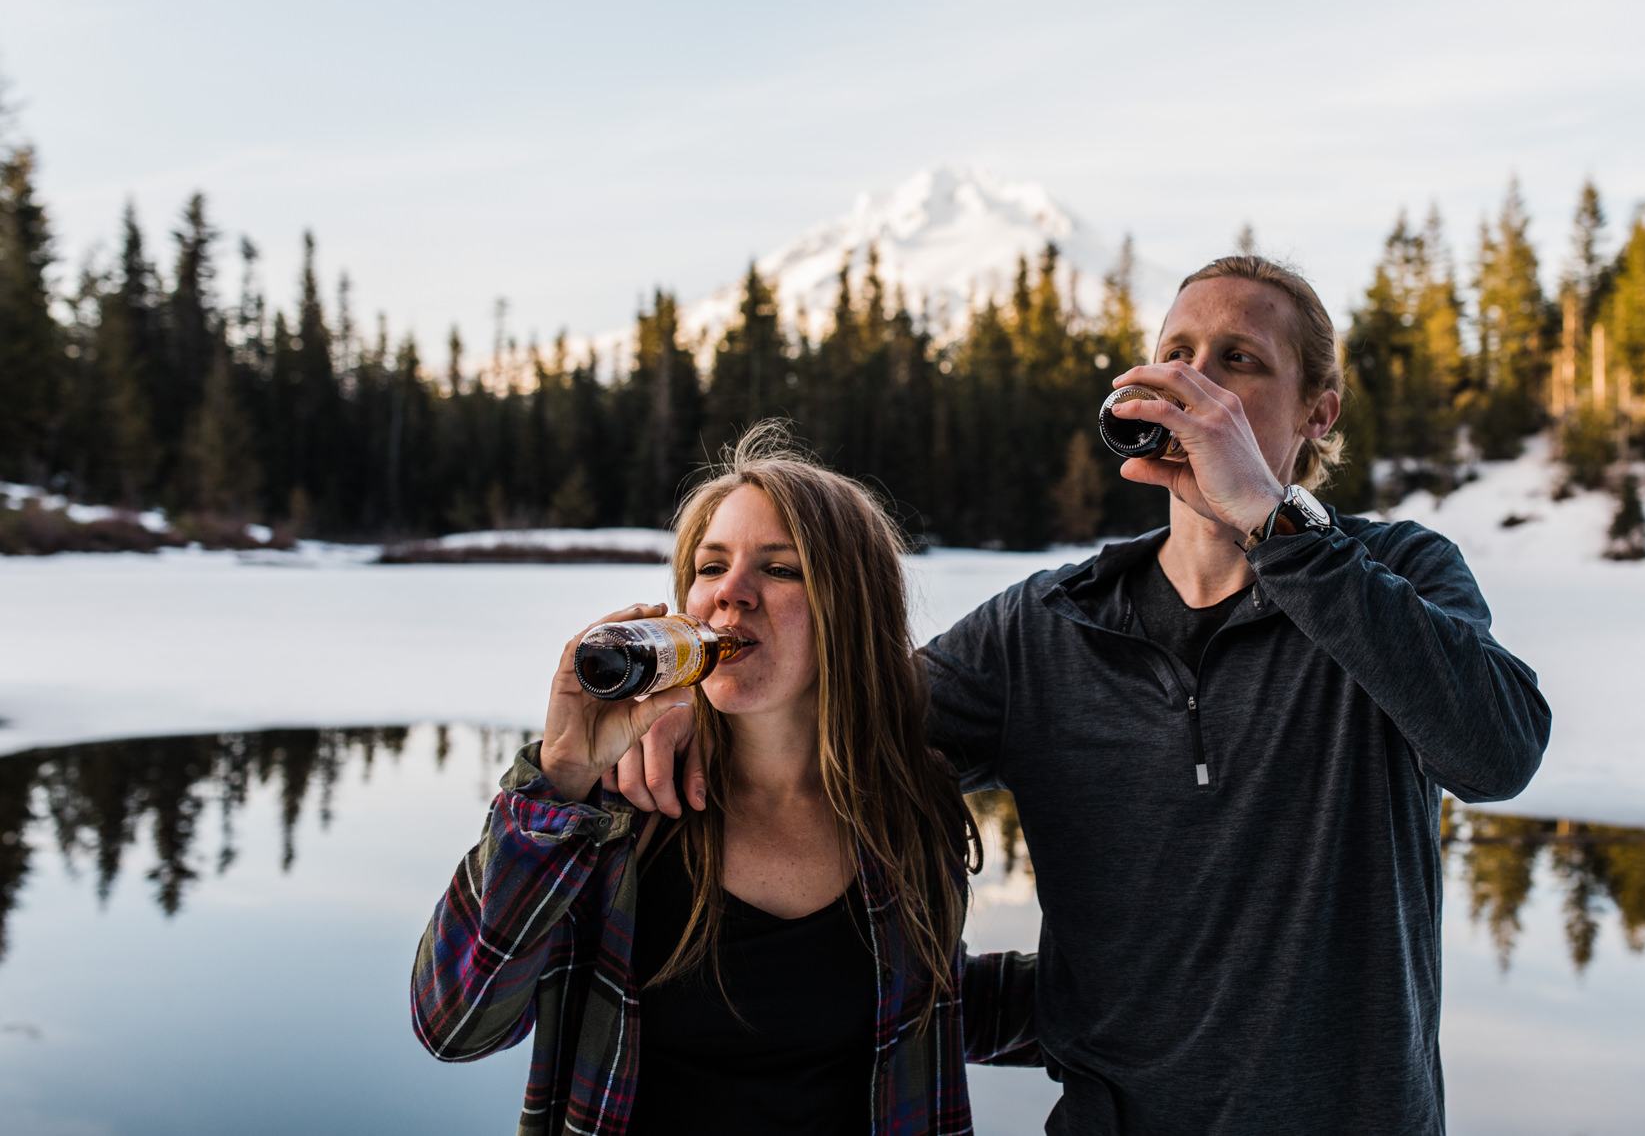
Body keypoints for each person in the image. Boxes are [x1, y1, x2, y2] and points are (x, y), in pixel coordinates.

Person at [615, 253, 1552, 1134]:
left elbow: (1499, 751)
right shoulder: (1050, 625)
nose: (1199, 384)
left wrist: (1275, 522)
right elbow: (846, 718)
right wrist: (686, 708)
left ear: (1317, 413)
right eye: (1177, 353)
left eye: (1239, 362)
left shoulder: (1390, 576)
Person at [411, 425, 1037, 1136]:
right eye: (710, 567)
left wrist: (1136, 991)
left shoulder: (902, 804)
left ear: (850, 608)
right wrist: (559, 777)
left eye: (780, 568)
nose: (730, 594)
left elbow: (921, 1002)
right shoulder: (620, 806)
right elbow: (454, 1023)